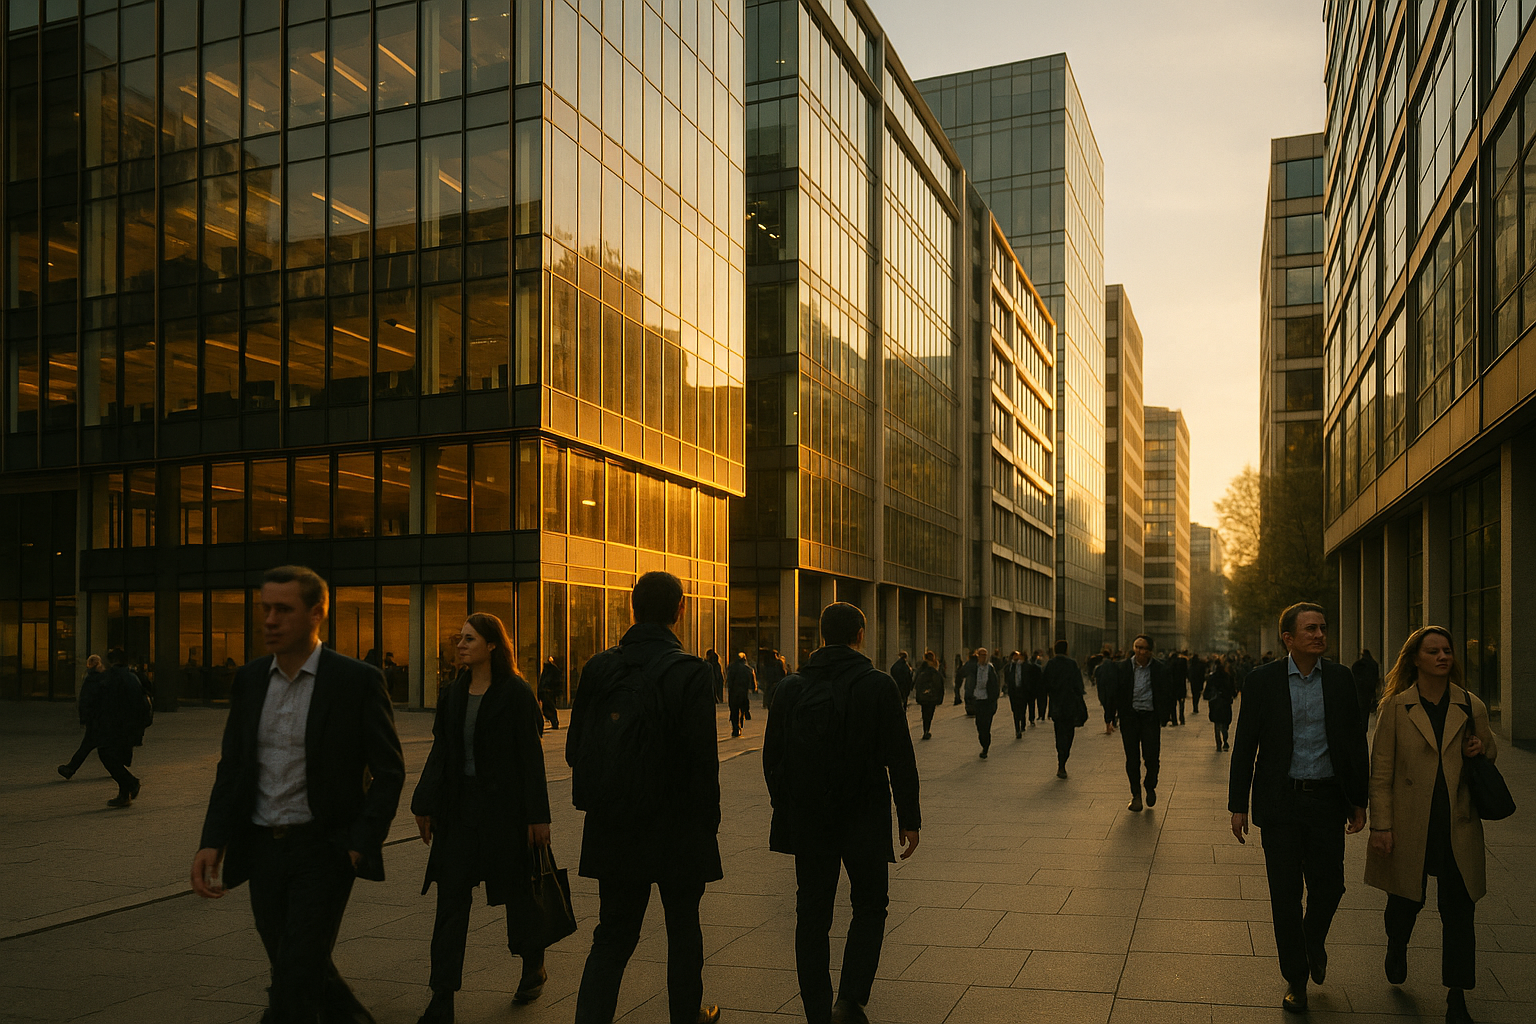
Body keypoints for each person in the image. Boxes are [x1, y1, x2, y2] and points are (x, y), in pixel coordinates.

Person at [190, 565, 405, 1024]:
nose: (269, 619)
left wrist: (357, 843)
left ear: (316, 614)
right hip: (262, 847)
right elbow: (232, 769)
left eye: (283, 609)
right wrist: (213, 840)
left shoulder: (355, 681)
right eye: (265, 608)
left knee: (294, 975)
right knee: (299, 970)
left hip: (324, 850)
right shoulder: (249, 681)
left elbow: (389, 771)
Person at [567, 572, 722, 1024]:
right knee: (683, 930)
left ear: (632, 609)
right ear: (680, 609)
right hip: (677, 827)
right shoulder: (692, 671)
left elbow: (576, 747)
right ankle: (685, 1017)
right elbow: (702, 762)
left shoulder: (598, 668)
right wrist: (706, 827)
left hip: (613, 825)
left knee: (612, 936)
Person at [763, 602, 920, 1024]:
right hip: (864, 815)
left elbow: (771, 758)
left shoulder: (791, 687)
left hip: (809, 817)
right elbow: (900, 757)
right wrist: (909, 818)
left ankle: (816, 1007)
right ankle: (850, 999)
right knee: (870, 904)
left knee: (811, 911)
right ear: (860, 635)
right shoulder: (878, 685)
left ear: (821, 637)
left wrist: (788, 808)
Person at [411, 613, 554, 1022]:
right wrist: (424, 802)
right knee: (450, 903)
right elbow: (442, 750)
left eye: (469, 639)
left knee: (520, 894)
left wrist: (537, 817)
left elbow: (531, 757)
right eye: (460, 638)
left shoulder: (515, 692)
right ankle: (442, 997)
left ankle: (532, 965)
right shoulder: (454, 692)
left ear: (492, 645)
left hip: (505, 815)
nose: (460, 645)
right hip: (458, 813)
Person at [1228, 602, 1369, 1014]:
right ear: (1288, 638)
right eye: (1310, 629)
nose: (1320, 635)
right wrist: (1238, 805)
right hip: (1281, 802)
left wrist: (1358, 801)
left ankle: (1311, 943)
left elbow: (1354, 745)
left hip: (1326, 799)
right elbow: (1244, 747)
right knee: (1285, 894)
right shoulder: (1261, 682)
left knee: (1331, 886)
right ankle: (1296, 977)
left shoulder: (1342, 680)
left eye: (1323, 628)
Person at [1365, 627, 1497, 1024]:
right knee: (1406, 900)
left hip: (1458, 822)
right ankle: (1397, 944)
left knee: (1459, 912)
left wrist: (1480, 747)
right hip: (1411, 823)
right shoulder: (1396, 707)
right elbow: (1381, 771)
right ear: (1415, 658)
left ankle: (1457, 997)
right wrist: (1381, 826)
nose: (1443, 657)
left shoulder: (1471, 705)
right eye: (1433, 651)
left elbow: (1489, 751)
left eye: (1447, 651)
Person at [1114, 635, 1170, 811]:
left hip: (1150, 718)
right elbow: (1116, 692)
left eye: (1143, 648)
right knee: (1132, 758)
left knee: (1152, 757)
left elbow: (1167, 691)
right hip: (1129, 718)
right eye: (1137, 647)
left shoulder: (1160, 669)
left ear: (1150, 651)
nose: (1139, 651)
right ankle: (1136, 795)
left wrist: (1165, 715)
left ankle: (1150, 785)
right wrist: (1111, 716)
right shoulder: (1123, 668)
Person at [94, 648, 153, 807]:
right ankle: (124, 794)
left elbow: (108, 703)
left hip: (119, 726)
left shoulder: (114, 677)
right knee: (118, 757)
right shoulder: (133, 676)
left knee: (106, 753)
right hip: (132, 726)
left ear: (112, 661)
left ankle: (131, 783)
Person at [58, 654, 106, 780]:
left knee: (88, 745)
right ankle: (70, 768)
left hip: (95, 720)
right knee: (103, 746)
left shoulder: (90, 680)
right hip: (103, 719)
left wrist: (84, 718)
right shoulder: (104, 678)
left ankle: (70, 768)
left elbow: (84, 701)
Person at [1043, 641, 1085, 779]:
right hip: (1070, 705)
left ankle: (1061, 762)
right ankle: (1064, 757)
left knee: (1059, 733)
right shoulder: (1072, 664)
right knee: (1069, 733)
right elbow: (1078, 685)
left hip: (1056, 705)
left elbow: (1045, 684)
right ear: (1066, 650)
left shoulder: (1051, 664)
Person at [969, 648, 1000, 758]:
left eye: (985, 655)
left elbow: (995, 685)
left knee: (986, 725)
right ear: (977, 656)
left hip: (987, 701)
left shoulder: (990, 668)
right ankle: (983, 741)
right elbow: (969, 681)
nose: (984, 657)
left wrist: (993, 700)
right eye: (981, 655)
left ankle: (985, 747)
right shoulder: (973, 668)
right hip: (977, 700)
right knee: (979, 724)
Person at [1204, 655, 1236, 752]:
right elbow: (1232, 689)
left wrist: (1207, 696)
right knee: (1225, 722)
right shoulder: (1227, 677)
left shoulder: (1212, 677)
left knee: (1217, 723)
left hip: (1215, 702)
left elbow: (1207, 691)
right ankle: (1225, 740)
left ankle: (1218, 743)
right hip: (1225, 702)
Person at [912, 651, 944, 740]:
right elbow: (940, 683)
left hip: (923, 695)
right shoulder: (936, 667)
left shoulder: (922, 668)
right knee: (930, 713)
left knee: (924, 712)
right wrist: (940, 697)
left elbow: (916, 680)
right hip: (933, 695)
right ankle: (927, 729)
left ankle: (925, 729)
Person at [726, 652, 757, 738]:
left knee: (734, 710)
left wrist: (729, 686)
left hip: (733, 692)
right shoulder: (748, 668)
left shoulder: (732, 667)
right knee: (741, 709)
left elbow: (729, 680)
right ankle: (741, 723)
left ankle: (735, 727)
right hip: (743, 691)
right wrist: (754, 687)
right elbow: (752, 678)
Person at [1351, 649, 1381, 725]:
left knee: (1361, 708)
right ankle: (1364, 724)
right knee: (1366, 709)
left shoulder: (1358, 664)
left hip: (1360, 689)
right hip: (1369, 689)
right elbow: (1376, 677)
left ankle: (1361, 724)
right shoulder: (1373, 664)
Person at [1005, 651, 1031, 738]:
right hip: (1013, 691)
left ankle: (1022, 723)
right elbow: (1007, 678)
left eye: (1017, 656)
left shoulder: (1024, 666)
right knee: (1015, 710)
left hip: (1022, 690)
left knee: (1022, 708)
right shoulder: (1009, 667)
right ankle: (1017, 729)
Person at [1093, 651, 1119, 735]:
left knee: (1106, 707)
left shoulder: (1099, 668)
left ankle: (1108, 725)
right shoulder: (1114, 666)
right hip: (1113, 691)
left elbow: (1096, 678)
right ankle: (1110, 724)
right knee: (1112, 707)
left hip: (1103, 691)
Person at [537, 656, 562, 731]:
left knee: (549, 707)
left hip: (548, 692)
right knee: (547, 708)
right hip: (547, 692)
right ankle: (553, 721)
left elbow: (555, 683)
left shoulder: (552, 671)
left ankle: (554, 721)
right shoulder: (549, 672)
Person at [1167, 650, 1189, 725]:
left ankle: (1174, 720)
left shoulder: (1170, 665)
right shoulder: (1183, 664)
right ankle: (1182, 719)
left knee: (1173, 705)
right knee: (1181, 704)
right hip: (1182, 686)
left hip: (1173, 687)